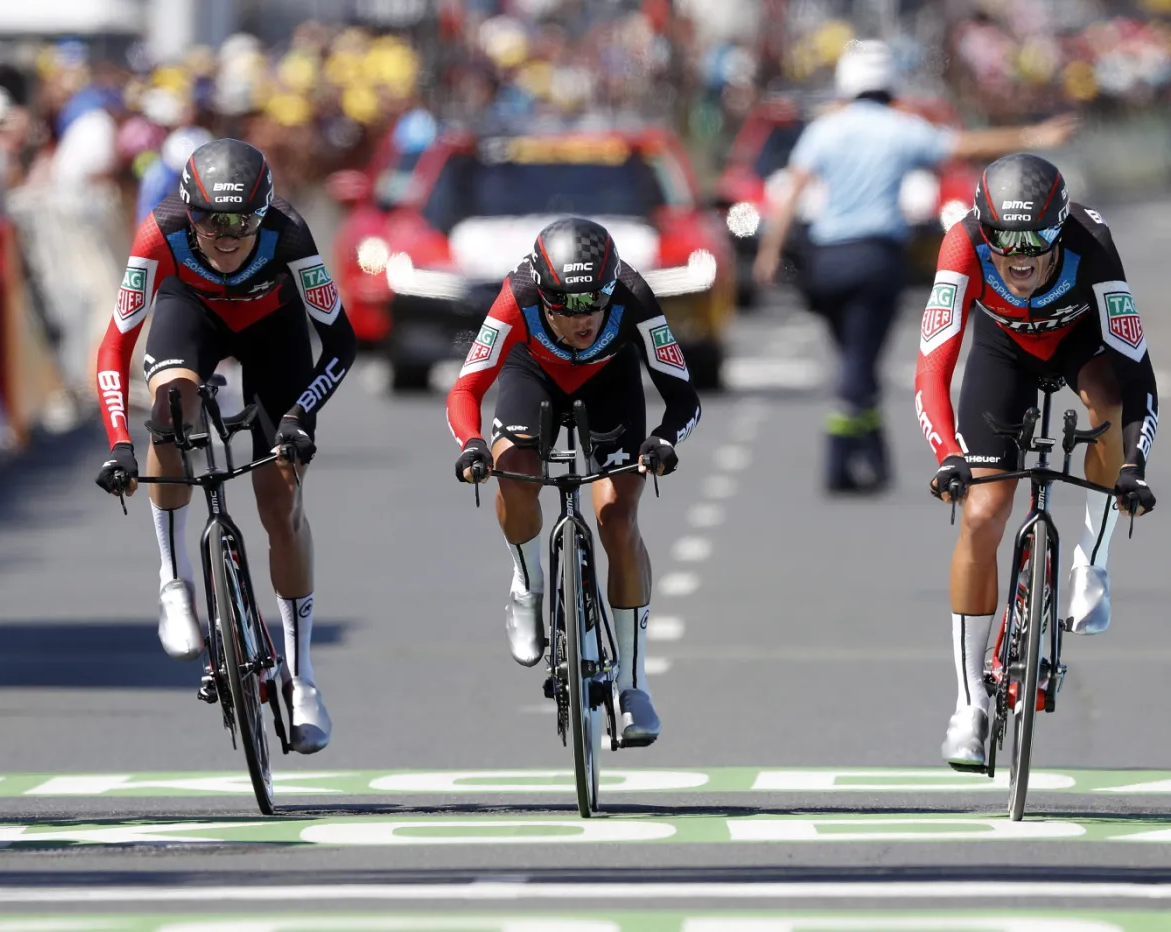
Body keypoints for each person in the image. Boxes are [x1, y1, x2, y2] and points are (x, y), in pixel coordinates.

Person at [94, 138, 357, 755]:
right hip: (192, 316)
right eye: (211, 219)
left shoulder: (290, 234)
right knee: (172, 406)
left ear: (264, 213)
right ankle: (175, 580)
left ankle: (302, 678)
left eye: (242, 220)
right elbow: (114, 348)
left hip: (274, 331)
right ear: (189, 213)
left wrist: (300, 411)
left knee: (280, 501)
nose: (227, 234)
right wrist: (118, 442)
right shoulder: (159, 234)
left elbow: (340, 343)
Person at [914, 153, 1157, 770]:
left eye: (1035, 243)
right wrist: (948, 456)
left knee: (1106, 407)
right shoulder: (962, 243)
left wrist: (1134, 465)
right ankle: (969, 706)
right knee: (983, 511)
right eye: (1003, 242)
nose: (1017, 257)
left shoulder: (1092, 243)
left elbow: (1139, 376)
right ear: (981, 228)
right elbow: (932, 366)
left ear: (1060, 228)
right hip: (1003, 353)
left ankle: (1091, 562)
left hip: (1081, 344)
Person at [753, 39, 1077, 493]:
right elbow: (963, 146)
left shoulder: (825, 129)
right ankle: (841, 457)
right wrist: (1033, 138)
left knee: (854, 360)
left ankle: (869, 452)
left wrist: (771, 251)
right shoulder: (900, 127)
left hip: (825, 262)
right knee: (858, 365)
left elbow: (791, 191)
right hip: (875, 259)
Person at [446, 217, 699, 746]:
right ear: (543, 294)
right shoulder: (516, 297)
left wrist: (665, 440)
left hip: (610, 385)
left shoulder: (632, 293)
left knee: (616, 515)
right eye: (566, 305)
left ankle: (633, 684)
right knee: (514, 475)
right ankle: (528, 582)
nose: (583, 318)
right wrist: (471, 443)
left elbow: (684, 398)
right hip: (531, 375)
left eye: (594, 303)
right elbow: (464, 392)